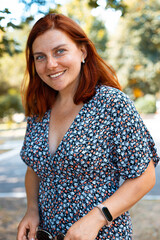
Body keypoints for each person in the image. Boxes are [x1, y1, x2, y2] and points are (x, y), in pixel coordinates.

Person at [17, 13, 159, 240]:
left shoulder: (111, 104)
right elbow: (34, 168)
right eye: (40, 57)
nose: (51, 64)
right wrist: (32, 210)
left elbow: (145, 176)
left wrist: (98, 217)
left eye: (60, 51)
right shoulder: (39, 110)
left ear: (83, 51)